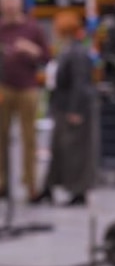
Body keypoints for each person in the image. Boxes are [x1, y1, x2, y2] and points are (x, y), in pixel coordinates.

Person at [31, 10, 94, 206]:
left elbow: (80, 84)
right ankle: (48, 189)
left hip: (72, 109)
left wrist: (75, 111)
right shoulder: (66, 50)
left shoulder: (77, 53)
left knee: (74, 151)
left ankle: (78, 191)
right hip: (61, 107)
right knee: (58, 149)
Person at [0, 0, 50, 202]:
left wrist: (32, 49)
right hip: (3, 87)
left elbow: (46, 57)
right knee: (1, 137)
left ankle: (30, 185)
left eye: (13, 5)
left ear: (19, 6)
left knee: (29, 138)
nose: (10, 9)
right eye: (6, 6)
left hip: (28, 88)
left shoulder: (32, 28)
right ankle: (1, 182)